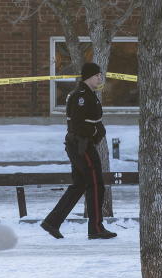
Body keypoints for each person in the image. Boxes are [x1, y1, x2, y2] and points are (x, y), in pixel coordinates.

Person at [41, 62, 117, 240]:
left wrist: (97, 133)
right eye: (97, 75)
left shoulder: (89, 94)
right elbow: (78, 124)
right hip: (82, 146)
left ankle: (52, 222)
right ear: (89, 77)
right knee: (96, 185)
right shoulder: (81, 96)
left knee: (80, 185)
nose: (100, 78)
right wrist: (95, 134)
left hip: (81, 145)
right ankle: (96, 228)